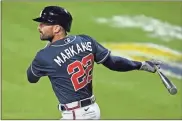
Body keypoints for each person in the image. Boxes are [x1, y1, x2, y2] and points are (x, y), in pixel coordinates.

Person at [27, 6, 161, 120]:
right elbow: (113, 63)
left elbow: (31, 78)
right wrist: (141, 65)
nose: (39, 27)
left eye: (44, 24)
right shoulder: (86, 41)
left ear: (57, 28)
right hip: (93, 110)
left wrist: (48, 49)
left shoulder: (44, 56)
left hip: (74, 115)